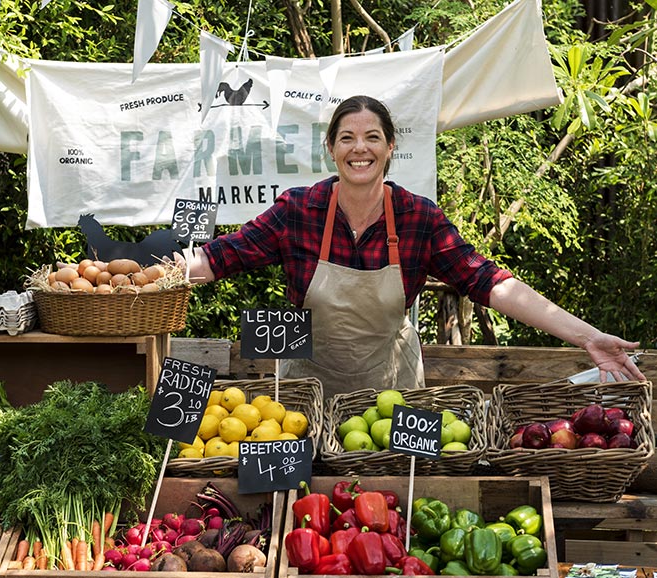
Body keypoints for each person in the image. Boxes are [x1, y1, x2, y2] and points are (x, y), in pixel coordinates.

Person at [178, 95, 644, 400]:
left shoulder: (418, 217)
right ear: (331, 149)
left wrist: (586, 336)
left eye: (372, 137)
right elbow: (221, 257)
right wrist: (148, 278)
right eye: (347, 138)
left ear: (389, 147)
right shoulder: (299, 210)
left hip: (392, 393)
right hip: (305, 392)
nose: (359, 148)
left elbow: (491, 283)